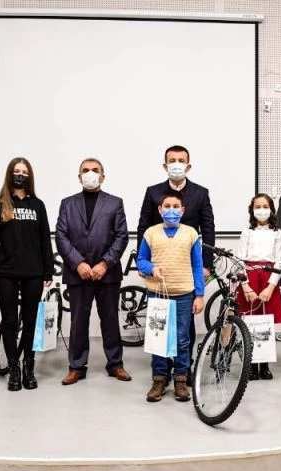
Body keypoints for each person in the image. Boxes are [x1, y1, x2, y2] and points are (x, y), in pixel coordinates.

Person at [137, 145, 215, 373]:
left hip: (186, 267)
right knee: (160, 322)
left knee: (184, 324)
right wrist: (143, 264)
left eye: (181, 160)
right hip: (159, 266)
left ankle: (184, 369)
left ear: (188, 166)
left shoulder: (201, 193)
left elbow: (208, 229)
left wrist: (206, 265)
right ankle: (162, 370)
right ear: (165, 165)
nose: (177, 164)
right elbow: (143, 226)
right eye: (172, 160)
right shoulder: (153, 192)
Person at [55, 158, 130, 385]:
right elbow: (61, 235)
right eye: (86, 170)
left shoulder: (115, 203)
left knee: (110, 320)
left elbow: (121, 236)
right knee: (78, 321)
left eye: (95, 170)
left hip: (108, 273)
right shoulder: (67, 203)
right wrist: (78, 263)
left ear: (103, 176)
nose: (90, 173)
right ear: (79, 177)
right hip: (77, 274)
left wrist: (105, 263)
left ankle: (115, 364)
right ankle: (76, 367)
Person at [0, 157, 55, 391]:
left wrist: (48, 270)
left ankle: (28, 367)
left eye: (25, 172)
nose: (20, 175)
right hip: (6, 273)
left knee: (31, 321)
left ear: (30, 176)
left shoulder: (38, 205)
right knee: (9, 322)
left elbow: (45, 239)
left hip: (33, 272)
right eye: (17, 171)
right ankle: (13, 368)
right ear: (9, 174)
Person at [137, 191, 204, 402]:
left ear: (183, 210)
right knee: (158, 337)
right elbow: (141, 260)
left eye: (176, 207)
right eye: (167, 206)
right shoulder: (150, 233)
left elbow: (198, 266)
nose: (171, 210)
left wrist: (199, 295)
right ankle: (159, 379)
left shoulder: (191, 233)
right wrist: (151, 268)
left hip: (184, 294)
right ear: (160, 209)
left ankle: (180, 379)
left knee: (182, 339)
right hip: (157, 294)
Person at [235, 194, 281, 381]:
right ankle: (251, 364)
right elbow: (240, 261)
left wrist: (270, 287)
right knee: (249, 322)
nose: (261, 210)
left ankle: (264, 364)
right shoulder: (246, 232)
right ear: (252, 210)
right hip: (250, 279)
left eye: (265, 206)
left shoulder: (278, 233)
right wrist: (245, 286)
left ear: (271, 209)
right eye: (257, 207)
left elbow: (279, 262)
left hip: (268, 279)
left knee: (266, 323)